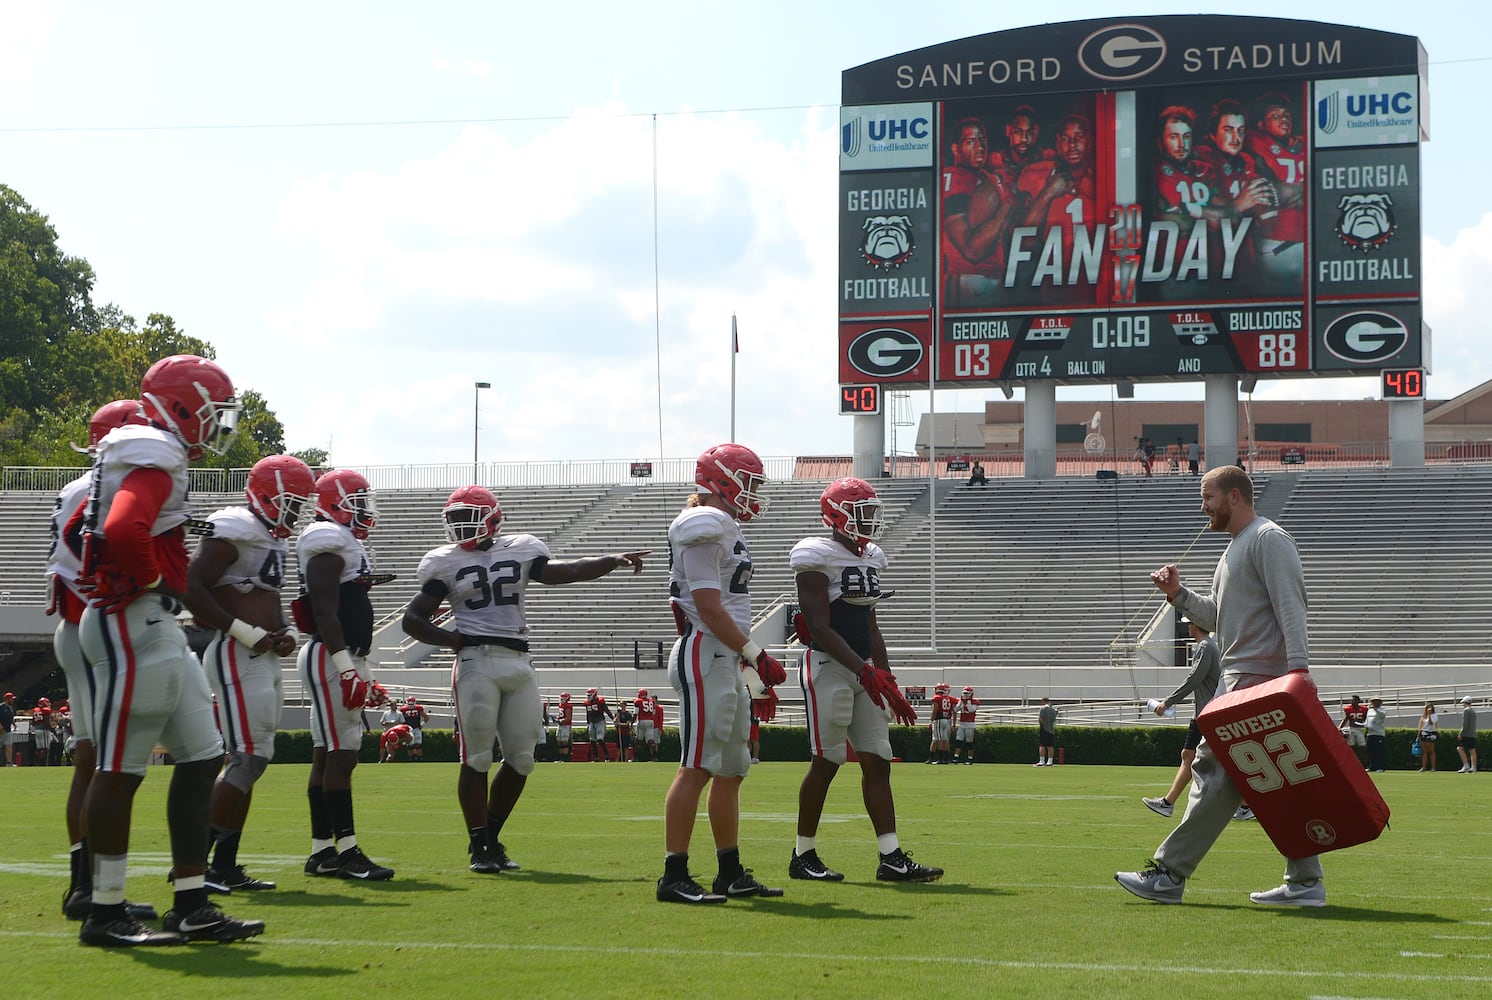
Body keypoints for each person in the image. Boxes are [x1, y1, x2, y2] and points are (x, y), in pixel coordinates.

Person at [72, 354, 262, 945]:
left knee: (203, 757)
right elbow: (126, 527)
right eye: (213, 412)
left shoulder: (153, 449)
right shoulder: (157, 452)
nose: (218, 424)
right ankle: (104, 911)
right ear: (184, 406)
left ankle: (191, 901)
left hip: (155, 625)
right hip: (133, 620)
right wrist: (154, 582)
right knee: (120, 768)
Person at [400, 484, 649, 874]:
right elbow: (412, 618)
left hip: (518, 661)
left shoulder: (521, 547)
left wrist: (611, 559)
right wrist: (452, 639)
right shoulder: (442, 562)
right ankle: (479, 845)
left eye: (468, 517)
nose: (461, 526)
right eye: (456, 518)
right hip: (476, 661)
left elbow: (564, 572)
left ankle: (490, 839)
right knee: (477, 757)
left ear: (493, 518)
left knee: (521, 759)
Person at [1116, 465, 1324, 907]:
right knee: (1272, 783)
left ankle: (1169, 874)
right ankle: (1306, 883)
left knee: (1212, 772)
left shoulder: (1269, 539)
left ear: (1234, 496)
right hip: (1244, 678)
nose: (1203, 506)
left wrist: (1300, 673)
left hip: (1257, 682)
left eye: (1208, 497)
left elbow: (1293, 607)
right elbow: (1217, 620)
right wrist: (1177, 594)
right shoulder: (1232, 550)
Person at [789, 477, 938, 885]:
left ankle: (891, 857)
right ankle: (802, 854)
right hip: (830, 668)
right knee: (827, 760)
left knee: (877, 759)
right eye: (863, 512)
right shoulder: (815, 554)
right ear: (837, 515)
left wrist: (885, 675)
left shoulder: (871, 556)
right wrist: (864, 670)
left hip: (864, 670)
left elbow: (871, 623)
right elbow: (819, 626)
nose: (870, 520)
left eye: (872, 511)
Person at [657, 443, 786, 904]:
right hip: (704, 652)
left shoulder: (724, 527)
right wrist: (756, 654)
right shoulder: (702, 523)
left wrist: (748, 666)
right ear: (721, 482)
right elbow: (708, 608)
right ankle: (673, 875)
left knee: (731, 769)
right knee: (696, 766)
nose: (753, 493)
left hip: (723, 658)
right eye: (748, 483)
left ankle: (729, 872)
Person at [186, 453, 317, 894]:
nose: (295, 512)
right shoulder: (233, 525)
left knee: (252, 760)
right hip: (234, 652)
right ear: (265, 493)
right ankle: (193, 863)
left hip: (260, 655)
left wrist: (283, 634)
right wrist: (245, 632)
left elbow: (261, 598)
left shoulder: (269, 538)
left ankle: (223, 864)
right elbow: (192, 586)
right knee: (248, 759)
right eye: (291, 501)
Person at [297, 468, 396, 882]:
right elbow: (323, 610)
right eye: (356, 502)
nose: (364, 511)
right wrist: (346, 668)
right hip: (331, 656)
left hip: (340, 655)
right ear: (333, 503)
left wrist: (361, 669)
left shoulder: (344, 542)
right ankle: (348, 851)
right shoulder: (327, 538)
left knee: (327, 756)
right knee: (342, 755)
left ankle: (323, 852)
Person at [1142, 619, 1222, 818]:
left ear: (1196, 625)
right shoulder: (1208, 646)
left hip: (1206, 713)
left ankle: (1168, 803)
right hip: (1204, 713)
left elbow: (1193, 680)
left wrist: (1167, 702)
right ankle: (1168, 802)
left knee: (1217, 760)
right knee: (1189, 755)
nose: (1187, 626)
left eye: (1190, 623)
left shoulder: (1205, 647)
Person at [1016, 112, 1098, 303]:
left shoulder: (1107, 173)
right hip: (1053, 298)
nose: (1072, 144)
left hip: (1101, 295)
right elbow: (1024, 241)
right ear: (1057, 144)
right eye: (1065, 138)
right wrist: (1049, 193)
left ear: (1091, 140)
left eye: (1079, 137)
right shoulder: (1038, 175)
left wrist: (1095, 193)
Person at [940, 116, 1019, 306]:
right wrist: (1006, 205)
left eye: (982, 140)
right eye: (970, 141)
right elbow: (972, 250)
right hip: (967, 279)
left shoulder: (982, 177)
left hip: (988, 279)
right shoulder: (955, 178)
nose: (980, 147)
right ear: (955, 149)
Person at [1244, 90, 1307, 286]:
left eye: (1286, 115)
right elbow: (1272, 191)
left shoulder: (1303, 143)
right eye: (1275, 115)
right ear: (1261, 124)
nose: (1284, 119)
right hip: (1276, 244)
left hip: (1307, 244)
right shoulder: (1254, 142)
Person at [583, 687, 614, 762]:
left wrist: (613, 718)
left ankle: (607, 757)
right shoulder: (587, 703)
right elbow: (588, 713)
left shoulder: (600, 701)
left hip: (600, 721)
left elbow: (606, 710)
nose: (588, 696)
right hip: (591, 722)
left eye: (590, 695)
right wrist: (587, 723)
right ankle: (596, 758)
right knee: (592, 740)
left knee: (600, 739)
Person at [927, 682, 955, 764]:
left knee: (939, 739)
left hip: (939, 720)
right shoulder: (948, 698)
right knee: (944, 740)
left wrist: (930, 721)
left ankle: (940, 759)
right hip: (946, 720)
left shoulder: (937, 698)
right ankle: (945, 759)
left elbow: (935, 710)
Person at [1339, 694, 1370, 769]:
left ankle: (1367, 764)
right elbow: (1346, 719)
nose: (1352, 701)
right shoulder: (1348, 709)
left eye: (1354, 700)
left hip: (1359, 729)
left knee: (1363, 747)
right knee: (1350, 747)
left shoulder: (1364, 709)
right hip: (1351, 728)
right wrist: (1340, 727)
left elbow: (1366, 720)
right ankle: (1350, 763)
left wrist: (1367, 728)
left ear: (1358, 701)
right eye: (1352, 700)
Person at [953, 686, 979, 764]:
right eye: (964, 693)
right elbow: (955, 710)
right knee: (958, 741)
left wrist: (967, 702)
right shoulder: (961, 701)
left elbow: (971, 709)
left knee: (969, 743)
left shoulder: (974, 701)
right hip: (962, 723)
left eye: (967, 693)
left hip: (970, 724)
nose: (965, 695)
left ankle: (970, 759)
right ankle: (956, 757)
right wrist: (960, 703)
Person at [634, 688, 661, 762]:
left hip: (642, 721)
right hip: (650, 721)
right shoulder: (651, 701)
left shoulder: (638, 701)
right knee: (650, 740)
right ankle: (655, 757)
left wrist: (632, 722)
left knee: (638, 740)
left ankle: (636, 758)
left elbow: (635, 713)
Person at [400, 696, 430, 762]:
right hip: (408, 729)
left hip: (416, 728)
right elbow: (401, 720)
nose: (410, 705)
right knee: (410, 745)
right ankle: (411, 758)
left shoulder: (418, 708)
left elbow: (426, 717)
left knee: (418, 744)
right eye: (409, 704)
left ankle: (419, 758)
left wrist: (421, 724)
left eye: (412, 704)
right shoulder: (403, 709)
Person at [1365, 698, 1388, 773]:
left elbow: (1382, 715)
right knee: (1370, 751)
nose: (1374, 703)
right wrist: (1364, 725)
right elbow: (1367, 720)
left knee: (1379, 751)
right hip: (1370, 733)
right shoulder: (1369, 710)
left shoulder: (1382, 710)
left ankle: (1381, 767)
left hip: (1379, 733)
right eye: (1373, 702)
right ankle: (1371, 766)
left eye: (1376, 702)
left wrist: (1375, 709)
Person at [1456, 696, 1478, 774]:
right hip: (1472, 734)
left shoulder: (1466, 711)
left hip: (1466, 734)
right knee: (1472, 750)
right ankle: (1474, 767)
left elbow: (1464, 724)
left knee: (1459, 748)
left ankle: (1466, 765)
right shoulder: (1473, 711)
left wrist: (1461, 734)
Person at [553, 691, 575, 762]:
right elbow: (561, 716)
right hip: (561, 725)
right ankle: (561, 758)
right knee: (559, 741)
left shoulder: (568, 706)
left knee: (564, 742)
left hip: (566, 726)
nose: (561, 699)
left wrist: (560, 720)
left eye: (563, 698)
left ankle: (565, 759)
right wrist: (557, 719)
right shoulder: (560, 705)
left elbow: (568, 718)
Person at [1417, 703, 1439, 772]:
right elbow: (1420, 726)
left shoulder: (1434, 716)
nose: (1429, 709)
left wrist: (1429, 715)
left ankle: (1433, 767)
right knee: (1424, 751)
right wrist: (1418, 734)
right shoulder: (1423, 716)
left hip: (1431, 733)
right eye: (1427, 708)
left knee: (1431, 751)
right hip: (1423, 733)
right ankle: (1423, 767)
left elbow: (1431, 723)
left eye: (1430, 708)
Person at [1036, 696, 1057, 766]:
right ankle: (1050, 761)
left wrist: (1041, 725)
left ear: (1043, 701)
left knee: (1042, 745)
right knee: (1050, 746)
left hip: (1044, 728)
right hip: (1051, 729)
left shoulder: (1042, 709)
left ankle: (1042, 761)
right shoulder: (1053, 710)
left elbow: (1041, 719)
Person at [1, 691, 15, 765]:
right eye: (11, 699)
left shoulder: (10, 708)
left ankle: (9, 762)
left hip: (8, 730)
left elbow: (10, 717)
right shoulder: (1, 707)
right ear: (7, 699)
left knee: (9, 746)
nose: (12, 700)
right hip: (1, 731)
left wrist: (13, 724)